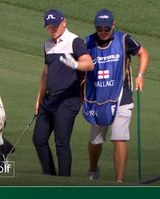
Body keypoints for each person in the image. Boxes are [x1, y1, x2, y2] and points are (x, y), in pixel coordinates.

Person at [83, 9, 149, 182]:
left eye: (107, 28)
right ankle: (92, 169)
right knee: (95, 141)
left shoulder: (124, 39)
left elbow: (143, 53)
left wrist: (140, 76)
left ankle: (119, 181)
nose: (103, 32)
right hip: (98, 99)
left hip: (122, 96)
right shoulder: (87, 42)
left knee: (119, 137)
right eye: (100, 29)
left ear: (113, 25)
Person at [33, 9, 94, 176]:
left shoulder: (74, 41)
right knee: (39, 138)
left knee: (61, 142)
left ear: (64, 22)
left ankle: (64, 181)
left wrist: (75, 64)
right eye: (49, 27)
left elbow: (89, 64)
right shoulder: (47, 44)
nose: (52, 30)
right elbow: (46, 72)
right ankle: (50, 177)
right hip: (49, 100)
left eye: (55, 26)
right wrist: (39, 97)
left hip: (67, 101)